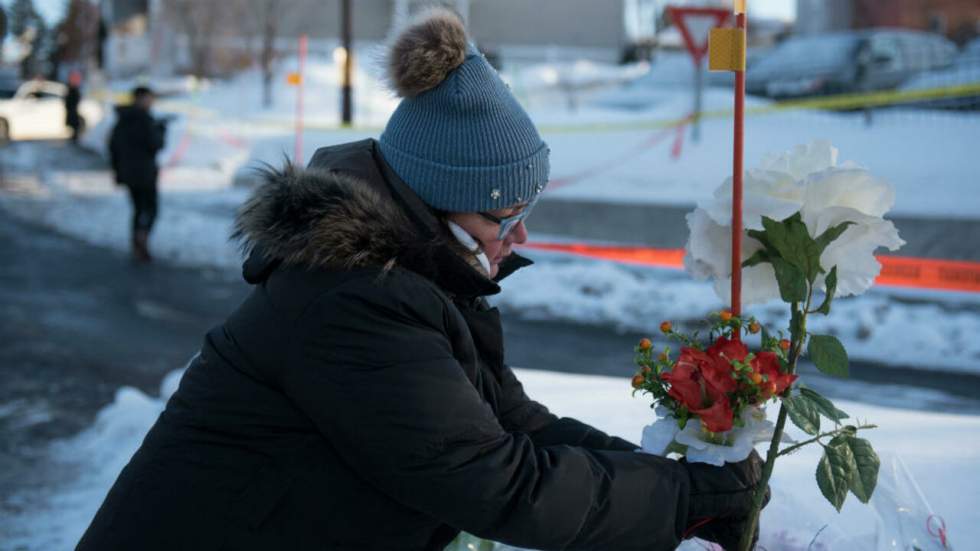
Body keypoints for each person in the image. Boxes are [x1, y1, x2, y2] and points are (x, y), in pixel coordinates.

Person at [77, 10, 766, 551]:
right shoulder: (350, 300)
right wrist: (680, 499)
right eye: (507, 214)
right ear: (439, 202)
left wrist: (688, 486)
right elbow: (497, 480)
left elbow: (516, 424)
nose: (521, 234)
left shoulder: (414, 276)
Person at [108, 86, 166, 262]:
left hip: (128, 173)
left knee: (137, 208)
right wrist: (161, 130)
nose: (151, 102)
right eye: (149, 98)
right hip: (145, 173)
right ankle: (143, 239)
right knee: (151, 209)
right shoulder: (145, 119)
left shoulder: (122, 118)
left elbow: (112, 146)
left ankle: (136, 242)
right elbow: (155, 144)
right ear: (140, 99)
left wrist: (117, 170)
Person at [64, 70, 82, 143]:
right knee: (73, 125)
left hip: (73, 110)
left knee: (74, 125)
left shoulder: (73, 89)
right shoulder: (71, 89)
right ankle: (74, 137)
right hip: (71, 110)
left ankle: (75, 137)